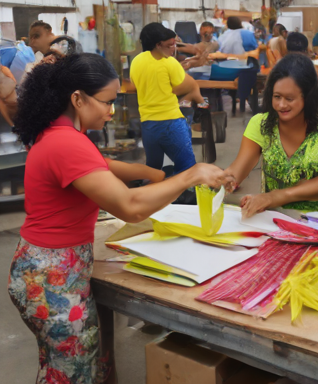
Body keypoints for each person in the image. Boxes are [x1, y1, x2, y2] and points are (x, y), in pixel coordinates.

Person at [8, 53, 231, 384]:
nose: (112, 111)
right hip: (52, 275)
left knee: (62, 364)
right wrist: (188, 176)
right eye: (107, 102)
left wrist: (153, 174)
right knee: (72, 374)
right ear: (78, 99)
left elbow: (101, 167)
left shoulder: (59, 131)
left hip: (42, 265)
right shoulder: (66, 143)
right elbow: (130, 206)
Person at [225, 53, 318, 219]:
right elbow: (235, 173)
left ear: (307, 96)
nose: (281, 105)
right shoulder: (261, 124)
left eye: (289, 98)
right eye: (277, 97)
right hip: (273, 221)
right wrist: (216, 181)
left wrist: (276, 196)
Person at [130, 23, 206, 173]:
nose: (174, 49)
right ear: (158, 45)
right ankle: (186, 195)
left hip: (148, 125)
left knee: (153, 169)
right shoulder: (169, 63)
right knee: (187, 168)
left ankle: (153, 194)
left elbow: (137, 85)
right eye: (170, 45)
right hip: (171, 123)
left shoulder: (136, 61)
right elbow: (184, 87)